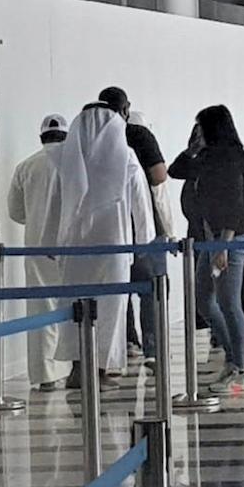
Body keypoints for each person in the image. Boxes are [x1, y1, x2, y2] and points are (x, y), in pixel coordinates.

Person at [50, 105, 155, 390]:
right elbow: (141, 202)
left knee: (74, 307)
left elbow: (55, 203)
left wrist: (51, 242)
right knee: (110, 310)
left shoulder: (67, 158)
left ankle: (77, 369)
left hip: (75, 246)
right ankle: (99, 370)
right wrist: (144, 240)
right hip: (113, 247)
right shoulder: (125, 156)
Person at [169, 105, 244, 394]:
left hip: (231, 238)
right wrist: (192, 149)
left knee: (228, 301)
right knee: (204, 299)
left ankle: (240, 367)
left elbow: (234, 204)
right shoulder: (207, 158)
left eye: (200, 128)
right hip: (211, 238)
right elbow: (175, 171)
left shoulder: (230, 159)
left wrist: (224, 246)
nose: (198, 133)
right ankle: (234, 357)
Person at [97, 87, 170, 364]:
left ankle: (126, 342)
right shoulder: (137, 134)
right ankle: (153, 347)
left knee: (119, 289)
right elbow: (159, 175)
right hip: (142, 223)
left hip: (105, 227)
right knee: (152, 288)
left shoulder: (89, 139)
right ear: (126, 109)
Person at [7, 115, 73, 390]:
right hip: (73, 245)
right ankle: (75, 368)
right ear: (67, 137)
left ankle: (45, 375)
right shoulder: (75, 165)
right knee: (74, 308)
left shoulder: (26, 166)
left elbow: (15, 212)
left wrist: (36, 219)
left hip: (35, 245)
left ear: (41, 137)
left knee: (41, 307)